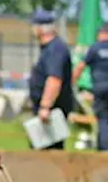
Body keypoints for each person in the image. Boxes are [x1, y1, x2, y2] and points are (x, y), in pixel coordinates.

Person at [28, 10, 74, 151]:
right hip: (48, 109)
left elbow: (54, 79)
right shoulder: (50, 48)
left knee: (49, 153)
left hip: (51, 112)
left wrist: (45, 107)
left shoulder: (55, 49)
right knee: (41, 151)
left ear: (40, 28)